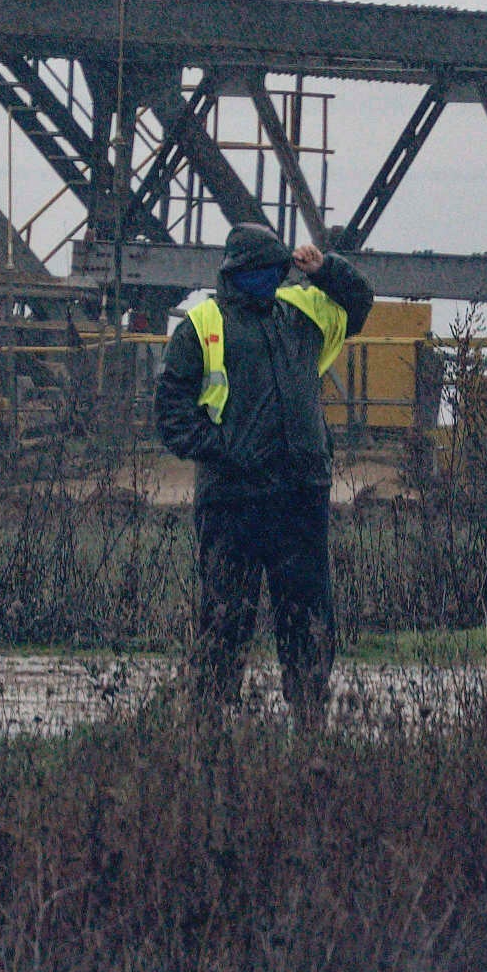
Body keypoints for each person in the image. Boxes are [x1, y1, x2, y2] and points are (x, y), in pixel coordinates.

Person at [155, 221, 377, 720]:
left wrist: (326, 269)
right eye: (262, 270)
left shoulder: (300, 312)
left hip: (300, 494)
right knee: (224, 617)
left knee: (308, 616)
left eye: (277, 270)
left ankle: (309, 716)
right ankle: (210, 721)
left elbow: (358, 304)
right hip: (232, 498)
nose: (272, 279)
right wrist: (225, 450)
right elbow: (170, 412)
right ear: (236, 272)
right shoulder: (201, 325)